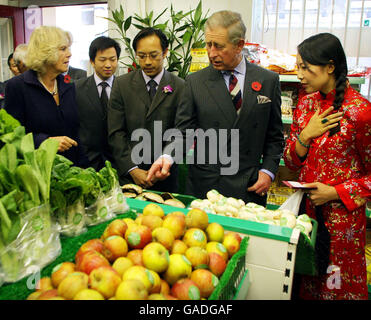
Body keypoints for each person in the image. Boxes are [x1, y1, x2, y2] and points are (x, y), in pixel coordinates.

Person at [147, 11, 284, 204]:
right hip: (207, 186)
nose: (211, 53)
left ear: (239, 45)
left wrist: (268, 171)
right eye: (208, 44)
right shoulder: (196, 82)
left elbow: (275, 136)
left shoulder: (268, 80)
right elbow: (183, 132)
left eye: (219, 46)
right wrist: (167, 157)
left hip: (249, 185)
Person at [283, 33, 371, 300]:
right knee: (302, 283)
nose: (300, 75)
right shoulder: (306, 103)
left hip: (342, 225)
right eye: (298, 67)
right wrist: (304, 136)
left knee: (336, 287)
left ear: (330, 67)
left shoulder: (360, 112)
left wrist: (334, 193)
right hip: (306, 217)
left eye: (306, 68)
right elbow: (290, 160)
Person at [108, 27, 185, 191]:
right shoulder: (122, 85)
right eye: (141, 56)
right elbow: (116, 132)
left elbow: (180, 131)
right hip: (129, 177)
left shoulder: (179, 86)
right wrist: (132, 169)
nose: (147, 62)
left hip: (166, 176)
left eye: (154, 55)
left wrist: (165, 162)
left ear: (165, 53)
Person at [4, 26, 89, 167]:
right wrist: (46, 142)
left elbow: (75, 133)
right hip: (37, 172)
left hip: (70, 172)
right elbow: (11, 137)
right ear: (45, 52)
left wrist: (87, 170)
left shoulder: (67, 85)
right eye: (63, 49)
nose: (69, 54)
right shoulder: (18, 86)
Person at [75, 36, 121, 171]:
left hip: (118, 162)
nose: (108, 65)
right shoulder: (77, 89)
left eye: (113, 60)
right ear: (92, 61)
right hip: (86, 163)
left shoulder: (125, 88)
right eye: (102, 60)